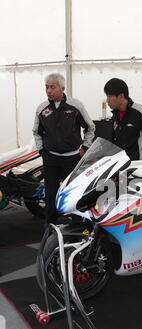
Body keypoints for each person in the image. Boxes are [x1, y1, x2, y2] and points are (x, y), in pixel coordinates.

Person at [33, 73, 95, 224]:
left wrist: (85, 147)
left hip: (72, 158)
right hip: (51, 159)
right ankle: (51, 224)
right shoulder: (42, 109)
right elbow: (36, 132)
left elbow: (90, 127)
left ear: (62, 88)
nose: (48, 91)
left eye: (52, 87)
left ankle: (77, 224)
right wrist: (42, 151)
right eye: (46, 87)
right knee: (51, 193)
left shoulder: (76, 106)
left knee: (73, 193)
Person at [104, 78, 142, 160]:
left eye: (109, 96)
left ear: (121, 96)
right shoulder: (115, 114)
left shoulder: (140, 112)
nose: (107, 100)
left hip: (138, 166)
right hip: (121, 165)